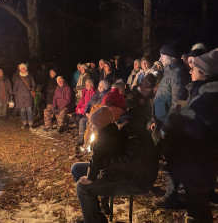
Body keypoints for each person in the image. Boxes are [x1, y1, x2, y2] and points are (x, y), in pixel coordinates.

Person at [71, 89, 158, 223]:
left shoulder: (131, 127)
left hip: (136, 179)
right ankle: (95, 217)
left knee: (82, 188)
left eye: (106, 108)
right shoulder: (115, 124)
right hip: (119, 171)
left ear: (118, 108)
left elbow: (133, 162)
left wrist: (103, 168)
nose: (103, 111)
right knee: (76, 169)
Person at [158, 49, 218, 222]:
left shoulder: (208, 98)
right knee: (195, 201)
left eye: (195, 69)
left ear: (205, 73)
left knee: (198, 202)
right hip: (195, 160)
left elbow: (199, 128)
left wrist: (176, 119)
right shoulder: (201, 92)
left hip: (198, 160)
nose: (190, 70)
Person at [152, 42, 191, 209]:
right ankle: (172, 193)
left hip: (172, 127)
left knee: (175, 160)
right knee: (168, 159)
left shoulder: (179, 74)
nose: (159, 58)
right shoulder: (169, 72)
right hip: (161, 122)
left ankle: (172, 197)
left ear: (171, 57)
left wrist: (165, 128)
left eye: (162, 55)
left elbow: (178, 104)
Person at [77, 80, 110, 146]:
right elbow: (89, 103)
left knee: (88, 124)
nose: (99, 88)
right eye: (99, 86)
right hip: (91, 113)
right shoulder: (97, 94)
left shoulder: (105, 96)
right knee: (82, 121)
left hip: (96, 117)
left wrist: (92, 115)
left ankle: (89, 142)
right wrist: (86, 112)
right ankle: (82, 138)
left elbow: (99, 107)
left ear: (105, 87)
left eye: (101, 86)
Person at [13, 63, 36, 129]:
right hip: (20, 97)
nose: (23, 69)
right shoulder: (18, 77)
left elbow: (34, 85)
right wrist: (16, 94)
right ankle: (24, 123)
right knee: (22, 110)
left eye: (24, 68)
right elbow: (15, 87)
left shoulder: (30, 76)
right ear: (20, 69)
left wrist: (32, 90)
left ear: (26, 69)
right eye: (22, 68)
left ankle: (31, 123)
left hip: (28, 96)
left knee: (29, 110)